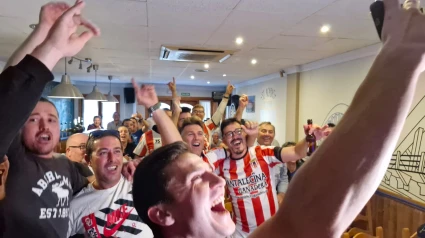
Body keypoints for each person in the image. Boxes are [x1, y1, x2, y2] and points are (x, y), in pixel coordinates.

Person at [132, 1, 424, 237]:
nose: (217, 181)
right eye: (198, 178)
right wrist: (401, 54)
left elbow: (296, 160)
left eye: (239, 132)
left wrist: (310, 141)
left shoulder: (261, 153)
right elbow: (304, 222)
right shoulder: (219, 159)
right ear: (162, 214)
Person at [0, 2, 100, 237]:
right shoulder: (11, 157)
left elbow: (98, 185)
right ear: (20, 125)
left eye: (52, 119)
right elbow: (10, 97)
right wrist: (45, 35)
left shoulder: (67, 166)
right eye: (34, 119)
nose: (45, 125)